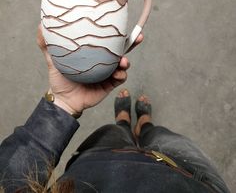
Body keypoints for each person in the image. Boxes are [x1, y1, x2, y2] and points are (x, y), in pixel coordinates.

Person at [0, 27, 230, 193]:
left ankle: (124, 123)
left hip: (98, 158)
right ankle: (144, 125)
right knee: (163, 136)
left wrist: (63, 104)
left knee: (113, 131)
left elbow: (7, 177)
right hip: (186, 173)